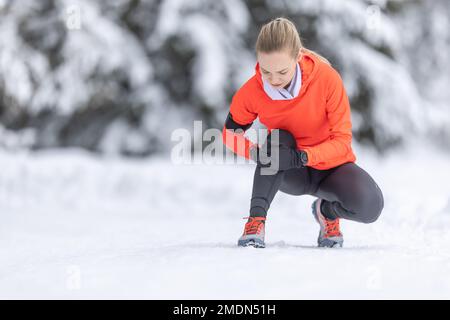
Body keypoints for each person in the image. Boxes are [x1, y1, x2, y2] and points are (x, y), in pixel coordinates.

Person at [222, 17, 384, 248]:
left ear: (298, 57)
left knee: (370, 207)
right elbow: (229, 135)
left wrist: (303, 156)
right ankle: (255, 223)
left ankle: (326, 211)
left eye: (282, 71)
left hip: (330, 169)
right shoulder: (252, 92)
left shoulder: (327, 79)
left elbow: (342, 141)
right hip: (288, 170)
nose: (274, 80)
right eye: (266, 71)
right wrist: (258, 155)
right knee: (279, 137)